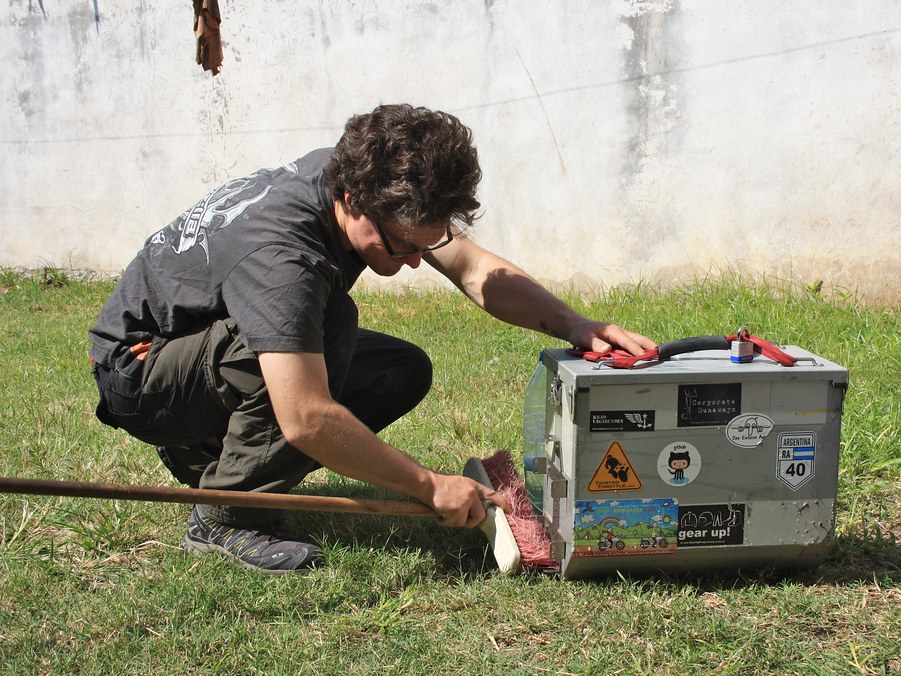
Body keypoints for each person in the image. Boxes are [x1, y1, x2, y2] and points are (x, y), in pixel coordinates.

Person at [88, 104, 655, 574]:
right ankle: (228, 514)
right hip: (142, 373)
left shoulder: (358, 182)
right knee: (329, 322)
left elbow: (472, 269)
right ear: (355, 202)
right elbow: (306, 417)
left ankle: (213, 449)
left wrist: (574, 324)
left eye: (423, 245)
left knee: (399, 369)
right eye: (403, 246)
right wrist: (429, 485)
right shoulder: (285, 260)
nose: (414, 263)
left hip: (198, 346)